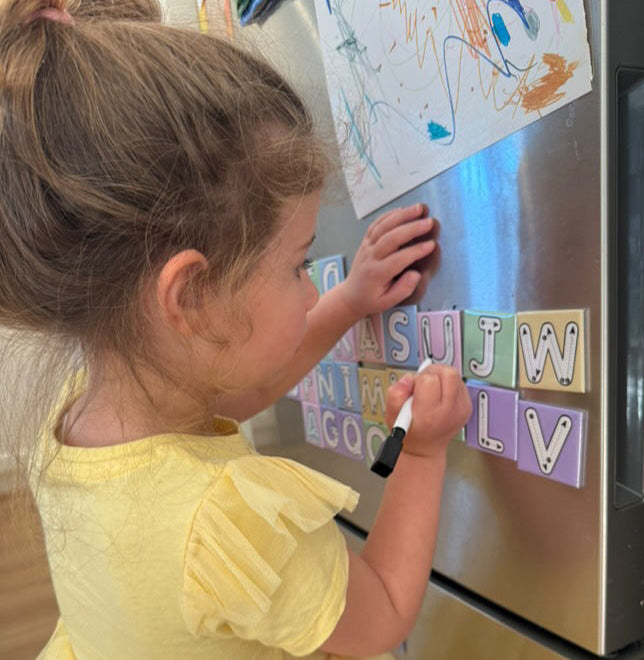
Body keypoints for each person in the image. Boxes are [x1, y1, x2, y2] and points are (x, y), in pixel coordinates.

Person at [0, 1, 472, 658]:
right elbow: (384, 613)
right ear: (190, 297)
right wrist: (421, 453)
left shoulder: (76, 418)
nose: (311, 288)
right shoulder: (230, 520)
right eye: (299, 265)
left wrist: (349, 300)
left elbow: (233, 391)